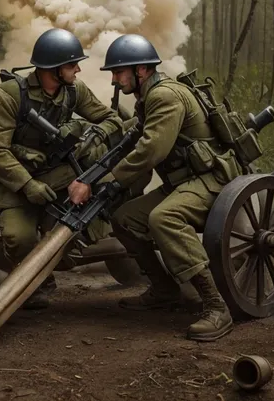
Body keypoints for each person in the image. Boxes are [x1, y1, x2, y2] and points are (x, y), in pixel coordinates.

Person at [68, 34, 242, 341]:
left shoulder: (164, 97)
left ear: (142, 70)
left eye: (119, 72)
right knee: (126, 218)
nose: (114, 79)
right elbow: (131, 139)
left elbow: (151, 150)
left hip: (212, 180)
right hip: (185, 181)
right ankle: (165, 290)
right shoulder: (148, 99)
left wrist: (108, 182)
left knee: (164, 218)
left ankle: (217, 307)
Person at [0, 28, 127, 308]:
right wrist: (27, 185)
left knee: (71, 233)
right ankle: (30, 275)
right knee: (17, 238)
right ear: (54, 69)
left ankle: (46, 268)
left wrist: (94, 135)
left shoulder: (74, 91)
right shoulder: (10, 95)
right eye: (72, 65)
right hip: (17, 181)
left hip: (59, 179)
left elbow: (111, 118)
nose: (78, 69)